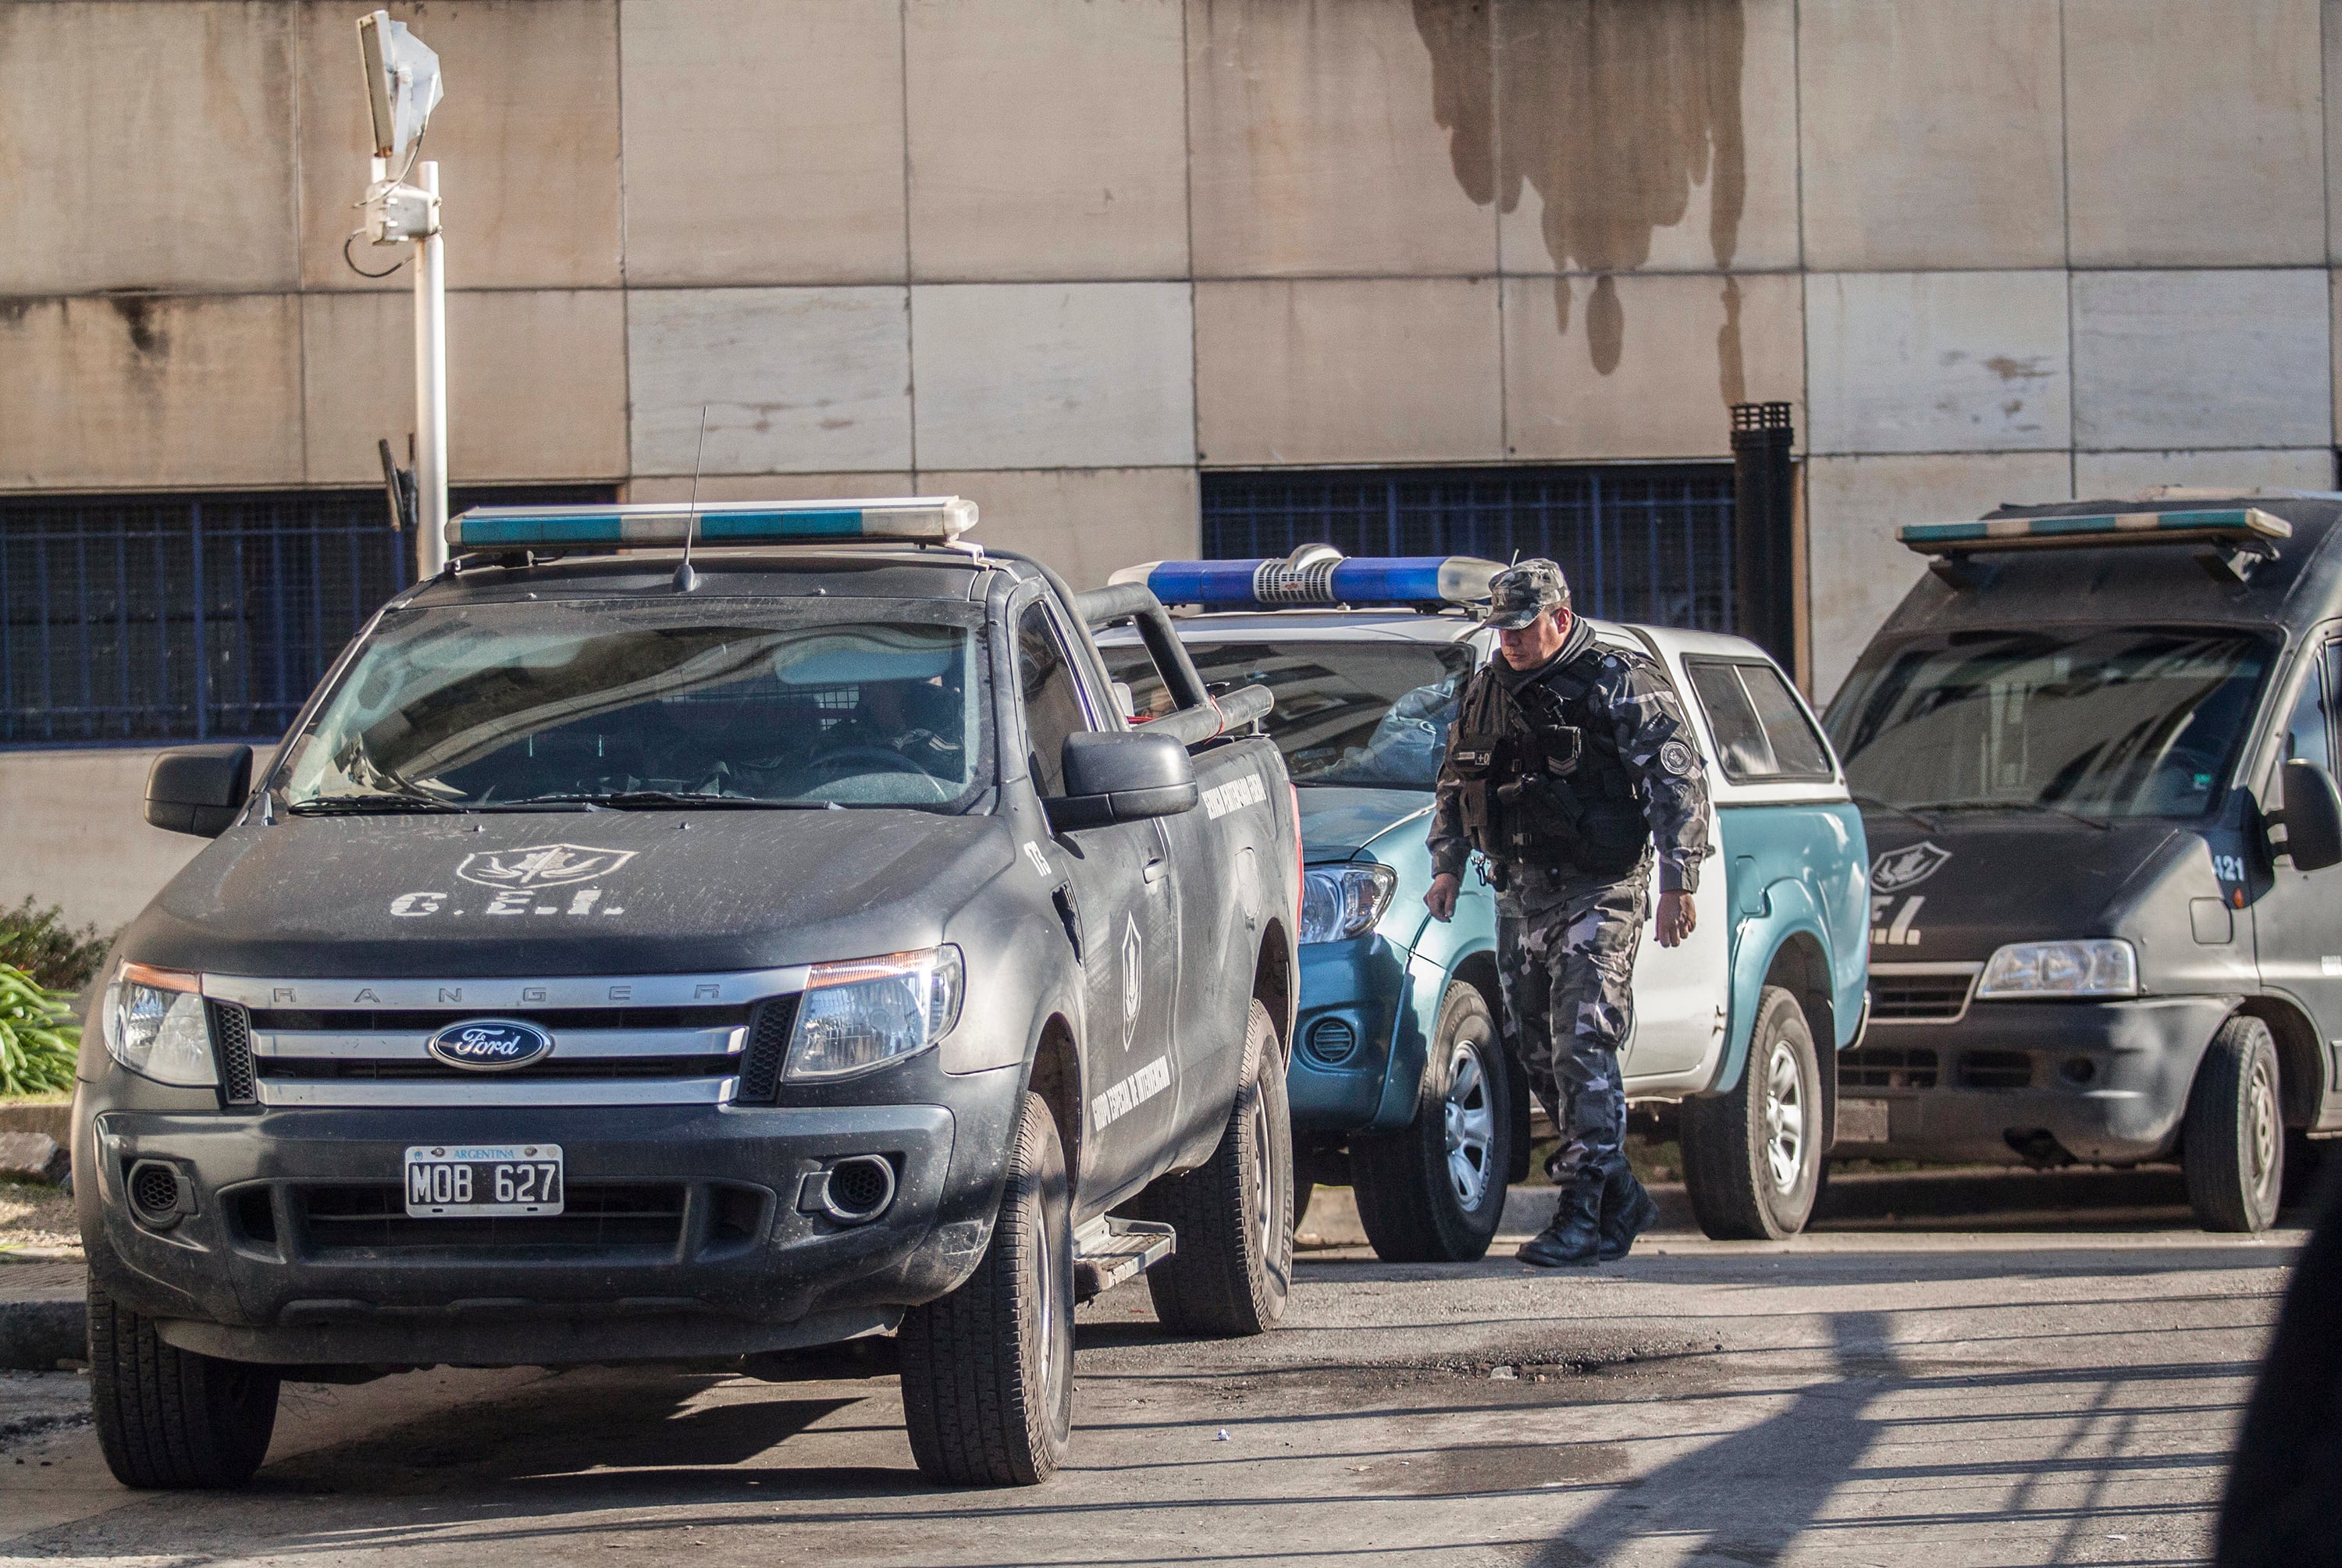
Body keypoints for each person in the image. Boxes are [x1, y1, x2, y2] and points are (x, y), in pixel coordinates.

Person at [1424, 560, 1709, 1267]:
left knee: (1584, 1042)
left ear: (1560, 615)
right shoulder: (1486, 686)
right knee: (1537, 1051)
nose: (1511, 642)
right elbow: (1457, 779)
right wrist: (1445, 865)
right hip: (1520, 889)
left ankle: (1580, 1209)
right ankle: (1621, 1195)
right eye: (1503, 630)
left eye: (1523, 628)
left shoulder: (1617, 677)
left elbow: (1676, 777)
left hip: (1599, 888)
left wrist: (1680, 879)